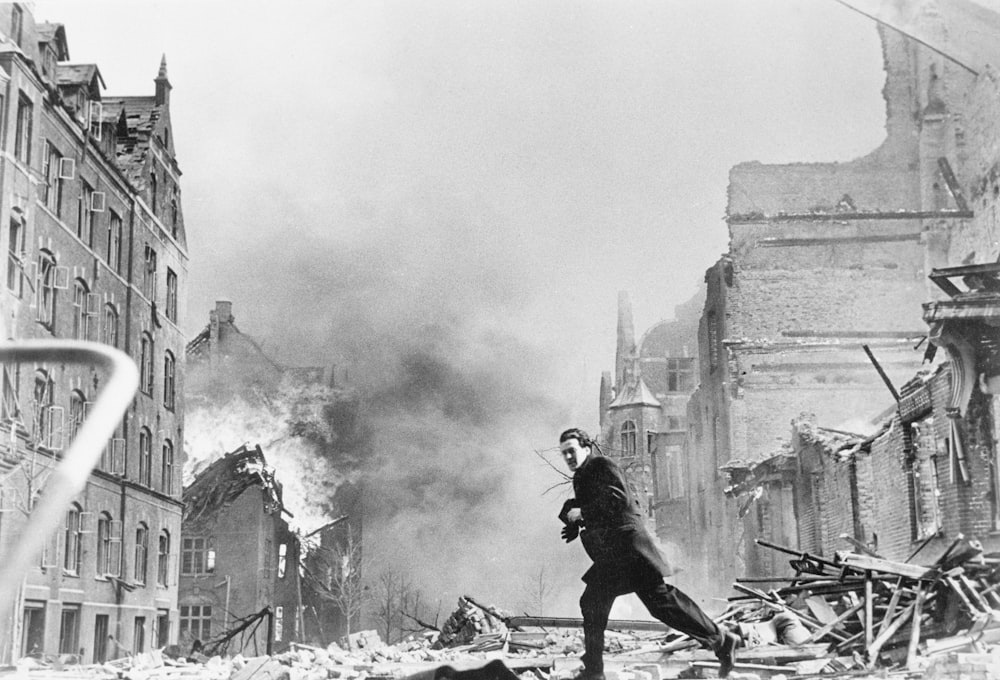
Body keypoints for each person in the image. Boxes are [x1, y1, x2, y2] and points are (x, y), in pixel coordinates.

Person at [557, 427, 738, 679]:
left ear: (586, 448)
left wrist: (583, 513)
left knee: (640, 602)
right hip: (617, 552)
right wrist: (576, 522)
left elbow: (617, 499)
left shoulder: (600, 465)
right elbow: (596, 506)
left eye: (572, 451)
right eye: (564, 453)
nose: (568, 457)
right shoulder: (583, 475)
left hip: (627, 548)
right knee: (640, 601)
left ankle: (720, 639)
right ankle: (720, 640)